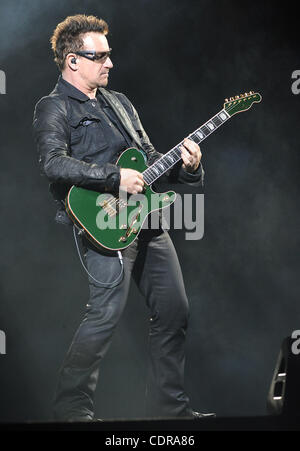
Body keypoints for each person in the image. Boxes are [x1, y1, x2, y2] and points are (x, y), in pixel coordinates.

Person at [33, 14, 214, 421]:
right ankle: (71, 408)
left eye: (110, 56)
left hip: (145, 219)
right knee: (105, 314)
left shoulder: (119, 102)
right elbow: (53, 164)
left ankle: (170, 409)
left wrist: (186, 167)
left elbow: (149, 157)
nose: (110, 63)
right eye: (100, 56)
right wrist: (114, 176)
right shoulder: (53, 107)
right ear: (72, 61)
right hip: (101, 223)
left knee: (174, 310)